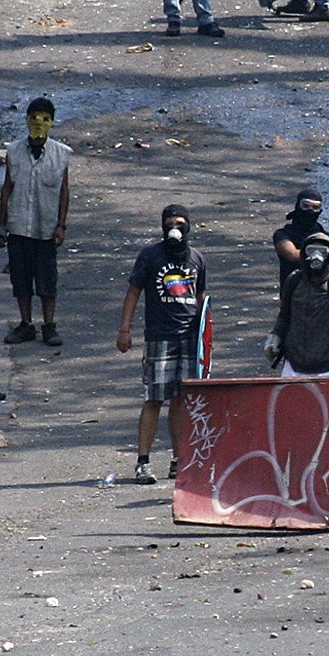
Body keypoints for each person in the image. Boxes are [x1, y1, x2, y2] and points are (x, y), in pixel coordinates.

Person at [117, 204, 206, 483]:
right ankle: (143, 462)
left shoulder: (197, 259)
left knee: (180, 399)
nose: (175, 229)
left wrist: (206, 341)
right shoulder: (150, 256)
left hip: (189, 339)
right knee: (154, 399)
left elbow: (202, 299)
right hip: (160, 336)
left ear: (189, 226)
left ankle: (179, 459)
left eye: (181, 223)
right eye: (170, 224)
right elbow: (134, 291)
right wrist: (125, 329)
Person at [0, 96, 70, 347]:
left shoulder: (61, 154)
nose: (39, 124)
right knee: (21, 280)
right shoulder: (14, 152)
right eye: (34, 118)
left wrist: (61, 225)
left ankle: (49, 326)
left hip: (45, 229)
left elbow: (63, 191)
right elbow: (7, 188)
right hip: (18, 228)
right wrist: (1, 224)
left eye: (45, 119)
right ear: (27, 121)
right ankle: (26, 325)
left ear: (52, 123)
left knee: (47, 281)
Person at [267, 230, 329, 378]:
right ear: (304, 253)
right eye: (311, 250)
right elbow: (284, 316)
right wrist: (275, 337)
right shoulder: (293, 281)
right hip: (293, 366)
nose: (316, 256)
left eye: (322, 251)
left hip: (328, 368)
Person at [271, 189, 328, 282]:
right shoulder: (282, 234)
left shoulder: (326, 237)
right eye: (306, 206)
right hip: (293, 291)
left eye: (315, 207)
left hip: (322, 293)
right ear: (297, 206)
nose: (310, 211)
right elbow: (292, 254)